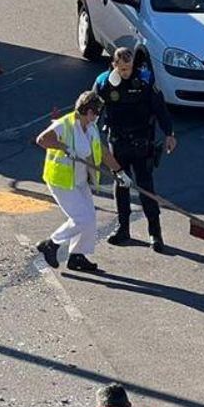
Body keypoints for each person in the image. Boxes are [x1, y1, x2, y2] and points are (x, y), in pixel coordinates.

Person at [94, 46, 177, 253]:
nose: (125, 72)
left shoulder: (145, 81)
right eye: (121, 69)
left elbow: (160, 109)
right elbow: (92, 111)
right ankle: (123, 228)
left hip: (142, 142)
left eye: (128, 68)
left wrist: (169, 134)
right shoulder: (103, 83)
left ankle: (155, 234)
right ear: (114, 65)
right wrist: (87, 136)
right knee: (121, 185)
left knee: (146, 186)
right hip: (118, 142)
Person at [35, 91, 120, 274]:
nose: (98, 116)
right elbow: (42, 139)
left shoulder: (90, 127)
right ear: (89, 112)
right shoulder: (65, 124)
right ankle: (51, 244)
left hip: (79, 180)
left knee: (89, 219)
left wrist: (120, 172)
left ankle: (77, 256)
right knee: (82, 218)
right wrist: (65, 148)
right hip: (62, 181)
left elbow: (102, 152)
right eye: (97, 112)